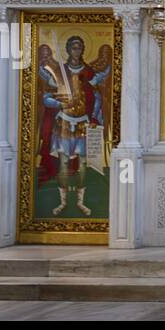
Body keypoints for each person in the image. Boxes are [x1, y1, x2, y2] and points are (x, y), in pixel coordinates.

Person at [38, 35, 111, 215]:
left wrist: (93, 117)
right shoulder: (60, 72)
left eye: (79, 47)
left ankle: (80, 202)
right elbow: (46, 97)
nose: (76, 51)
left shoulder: (88, 72)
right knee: (63, 162)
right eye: (73, 47)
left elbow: (97, 98)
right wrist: (60, 104)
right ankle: (62, 202)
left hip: (82, 124)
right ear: (68, 50)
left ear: (83, 50)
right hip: (63, 122)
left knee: (83, 164)